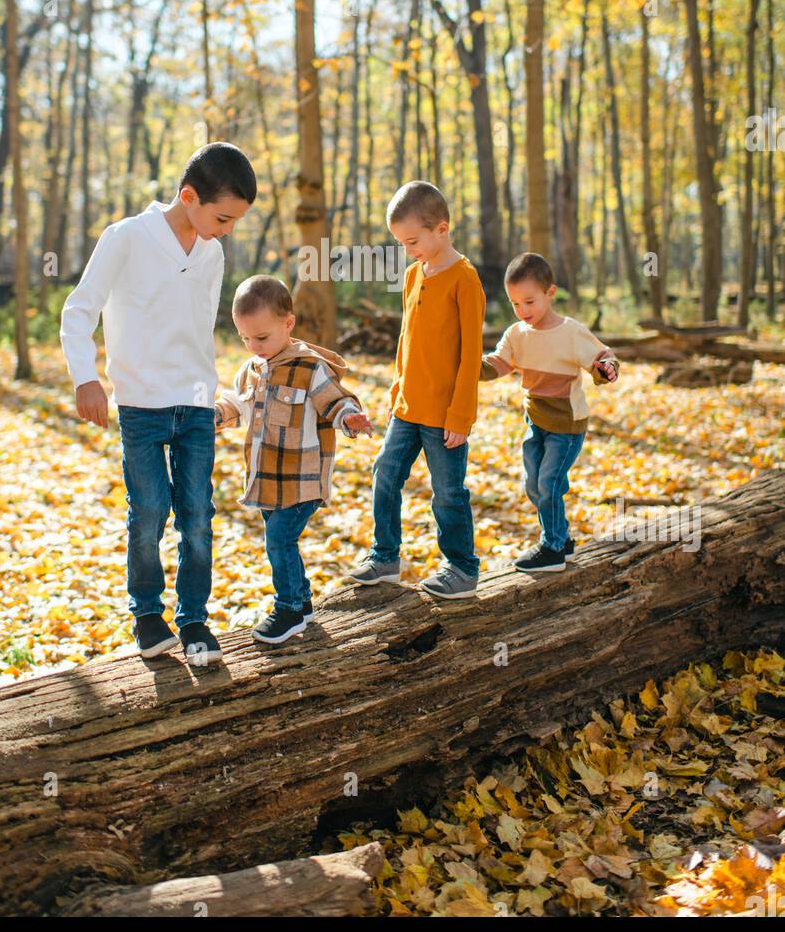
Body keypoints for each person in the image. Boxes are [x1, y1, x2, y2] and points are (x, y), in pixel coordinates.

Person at [60, 142, 256, 661]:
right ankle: (147, 614)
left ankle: (194, 620)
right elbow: (79, 310)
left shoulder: (211, 252)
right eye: (222, 217)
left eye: (235, 221)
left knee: (197, 515)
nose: (227, 230)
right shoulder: (126, 238)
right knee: (149, 511)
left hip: (195, 403)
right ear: (188, 195)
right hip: (140, 405)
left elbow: (197, 329)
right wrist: (86, 378)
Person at [215, 275, 372, 644]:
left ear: (288, 324)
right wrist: (219, 415)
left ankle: (287, 609)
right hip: (266, 477)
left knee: (278, 541)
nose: (254, 346)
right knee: (281, 540)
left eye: (262, 337)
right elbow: (240, 404)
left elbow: (335, 400)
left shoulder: (308, 368)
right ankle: (302, 602)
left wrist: (348, 418)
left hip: (302, 480)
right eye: (245, 339)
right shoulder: (252, 369)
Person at [348, 180, 485, 599]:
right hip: (407, 408)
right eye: (401, 243)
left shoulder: (464, 279)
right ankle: (385, 555)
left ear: (441, 229)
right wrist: (395, 391)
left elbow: (470, 355)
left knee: (447, 493)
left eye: (412, 241)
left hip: (445, 415)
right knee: (385, 474)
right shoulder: (413, 276)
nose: (408, 250)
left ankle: (462, 567)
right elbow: (406, 341)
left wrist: (461, 415)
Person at [481, 251, 619, 573]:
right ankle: (563, 539)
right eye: (515, 304)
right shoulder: (517, 334)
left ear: (550, 293)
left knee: (549, 483)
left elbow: (603, 357)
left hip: (566, 425)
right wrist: (470, 366)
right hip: (536, 420)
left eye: (529, 302)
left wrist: (606, 369)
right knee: (533, 484)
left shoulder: (570, 332)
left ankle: (553, 547)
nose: (522, 311)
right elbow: (498, 364)